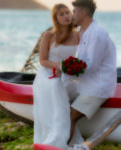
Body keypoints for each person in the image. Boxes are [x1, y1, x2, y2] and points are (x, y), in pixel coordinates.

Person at [33, 3, 83, 150]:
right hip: (47, 74)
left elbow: (84, 56)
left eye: (67, 12)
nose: (66, 16)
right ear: (56, 18)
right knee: (56, 85)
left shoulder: (78, 34)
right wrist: (59, 66)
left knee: (77, 88)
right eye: (61, 14)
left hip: (68, 74)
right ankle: (56, 138)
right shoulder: (49, 35)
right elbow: (42, 61)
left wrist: (75, 69)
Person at [67, 0, 117, 144]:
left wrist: (65, 69)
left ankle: (62, 146)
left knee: (70, 117)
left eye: (74, 12)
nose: (72, 15)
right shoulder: (84, 31)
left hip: (97, 88)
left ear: (83, 12)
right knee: (60, 97)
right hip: (86, 84)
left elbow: (91, 65)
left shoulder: (97, 33)